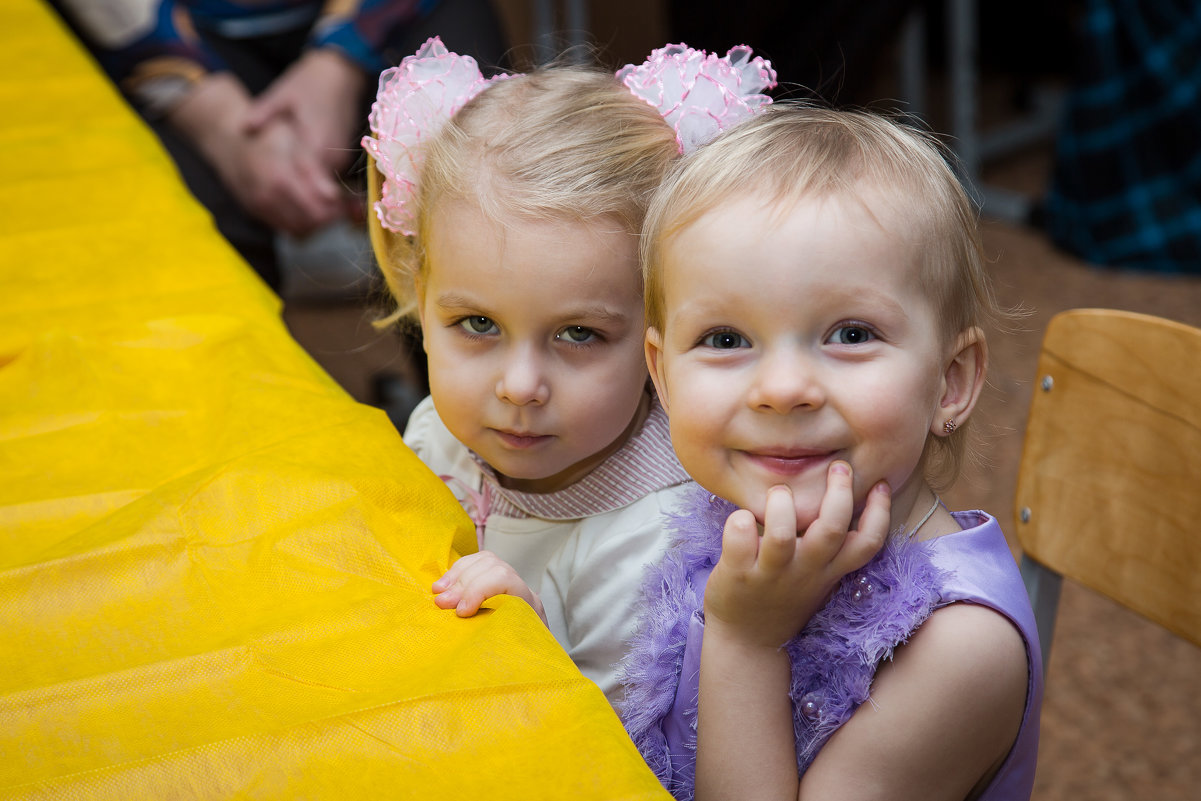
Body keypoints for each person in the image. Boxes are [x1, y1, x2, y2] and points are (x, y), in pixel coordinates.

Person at [620, 105, 1043, 800]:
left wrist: (745, 642)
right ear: (662, 377)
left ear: (950, 381)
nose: (782, 389)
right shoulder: (723, 517)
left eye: (849, 333)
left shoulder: (960, 644)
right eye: (725, 339)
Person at [360, 39, 778, 705]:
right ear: (419, 287)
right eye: (476, 324)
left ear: (664, 324)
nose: (519, 385)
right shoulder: (439, 427)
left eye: (578, 333)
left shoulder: (660, 545)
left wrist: (530, 649)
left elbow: (621, 760)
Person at [48, 0, 506, 289]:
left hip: (397, 13)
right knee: (190, 223)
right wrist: (215, 119)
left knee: (472, 168)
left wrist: (341, 56)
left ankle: (465, 426)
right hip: (148, 29)